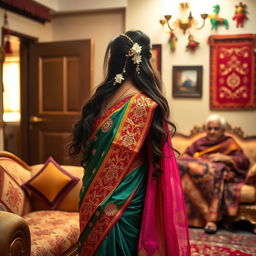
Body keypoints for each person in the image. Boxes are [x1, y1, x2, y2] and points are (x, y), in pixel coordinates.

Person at [68, 30, 190, 256]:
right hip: (117, 198)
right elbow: (157, 162)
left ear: (114, 60)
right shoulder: (146, 104)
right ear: (143, 61)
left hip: (113, 200)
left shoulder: (101, 99)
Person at [178, 114, 250, 234]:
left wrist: (226, 158)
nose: (212, 132)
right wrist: (201, 162)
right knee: (179, 164)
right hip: (195, 178)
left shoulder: (229, 143)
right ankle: (181, 217)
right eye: (209, 128)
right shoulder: (200, 142)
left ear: (223, 130)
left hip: (216, 176)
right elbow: (185, 156)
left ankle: (211, 220)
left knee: (217, 171)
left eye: (216, 129)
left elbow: (244, 161)